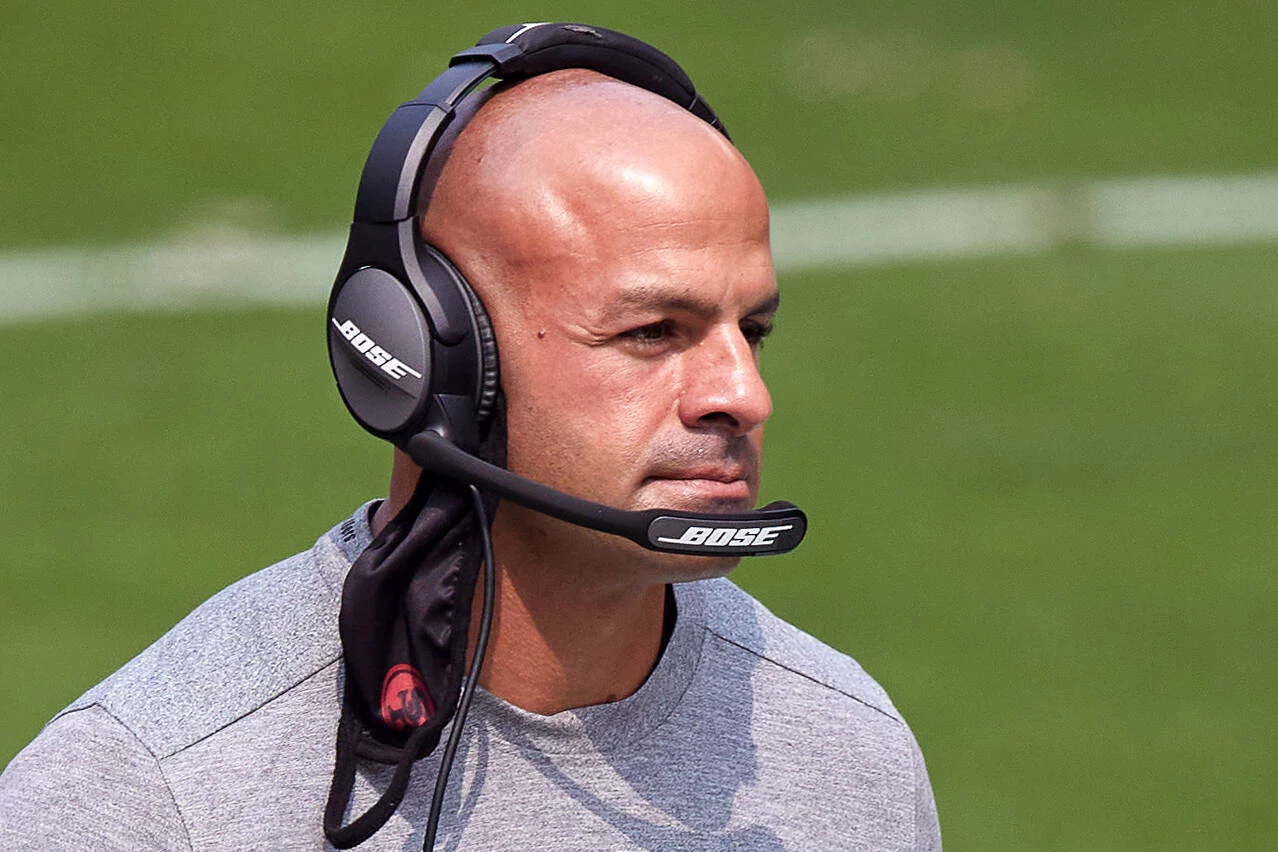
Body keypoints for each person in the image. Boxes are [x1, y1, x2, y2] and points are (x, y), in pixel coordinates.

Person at [0, 29, 940, 851]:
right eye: (653, 332)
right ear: (430, 360)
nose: (744, 395)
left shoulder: (846, 749)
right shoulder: (150, 797)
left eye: (755, 332)